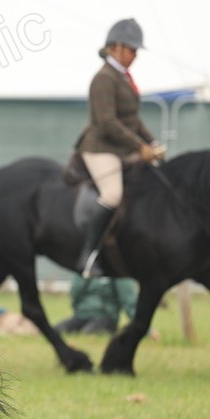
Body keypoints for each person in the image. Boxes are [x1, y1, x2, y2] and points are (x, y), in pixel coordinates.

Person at [73, 18, 165, 277]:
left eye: (136, 51)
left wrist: (152, 143)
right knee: (112, 194)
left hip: (121, 146)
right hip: (100, 147)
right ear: (114, 48)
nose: (135, 55)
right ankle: (88, 256)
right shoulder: (103, 78)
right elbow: (107, 122)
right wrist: (140, 146)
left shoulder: (123, 78)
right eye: (131, 50)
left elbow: (133, 120)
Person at [54, 275, 138, 335]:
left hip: (105, 316)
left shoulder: (117, 269)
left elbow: (128, 300)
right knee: (56, 331)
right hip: (81, 315)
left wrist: (143, 328)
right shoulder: (87, 265)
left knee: (87, 334)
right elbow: (75, 292)